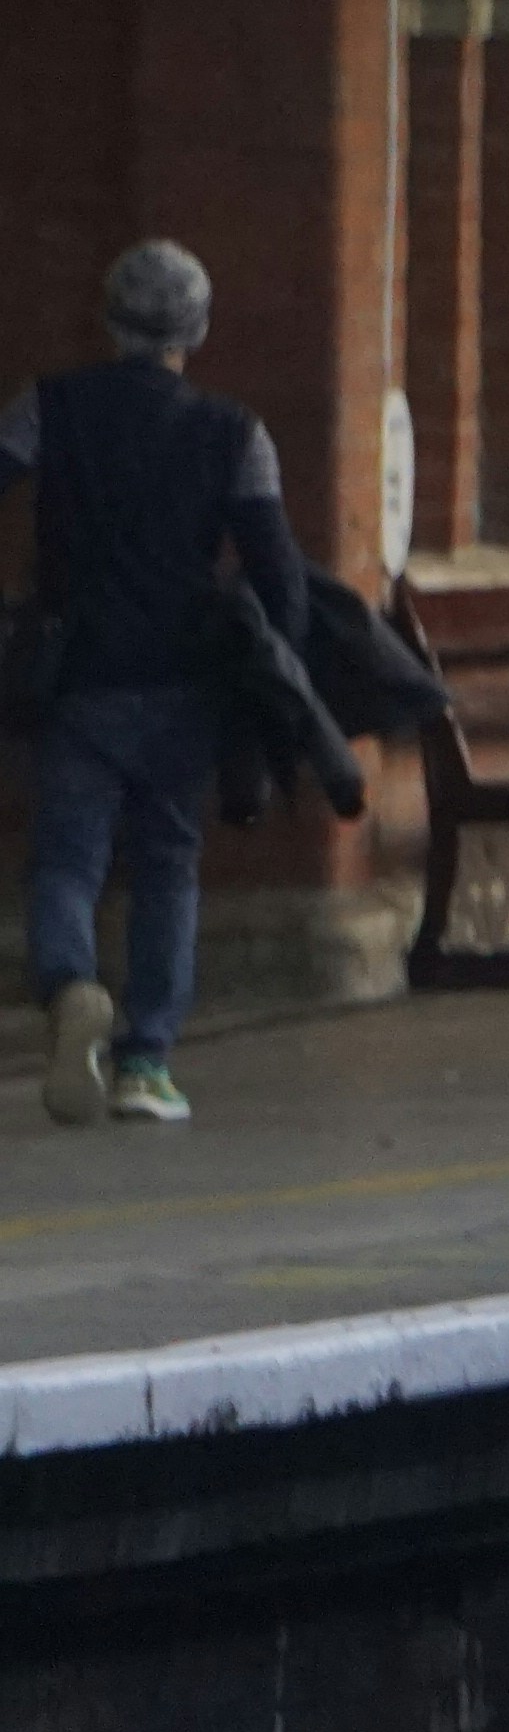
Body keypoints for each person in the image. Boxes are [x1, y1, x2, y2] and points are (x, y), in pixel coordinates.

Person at [3, 243, 314, 1128]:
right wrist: (276, 676)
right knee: (169, 864)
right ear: (198, 330)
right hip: (184, 678)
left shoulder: (49, 408)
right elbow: (275, 569)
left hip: (79, 673)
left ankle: (69, 988)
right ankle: (147, 1063)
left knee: (67, 859)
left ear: (110, 319)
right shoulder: (235, 432)